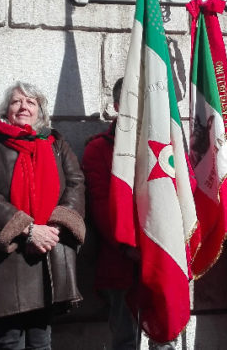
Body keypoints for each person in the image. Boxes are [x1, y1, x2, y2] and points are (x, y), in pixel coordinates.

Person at [0, 81, 85, 350]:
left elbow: (76, 182)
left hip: (49, 252)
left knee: (41, 339)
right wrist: (27, 229)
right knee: (10, 341)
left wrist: (53, 228)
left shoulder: (57, 145)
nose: (23, 107)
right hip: (8, 259)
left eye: (31, 102)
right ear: (6, 110)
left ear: (40, 111)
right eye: (16, 101)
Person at [81, 78, 139, 350]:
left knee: (166, 338)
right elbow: (101, 205)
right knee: (126, 339)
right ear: (117, 105)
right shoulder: (98, 148)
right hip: (121, 259)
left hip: (163, 257)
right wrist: (128, 246)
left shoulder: (169, 144)